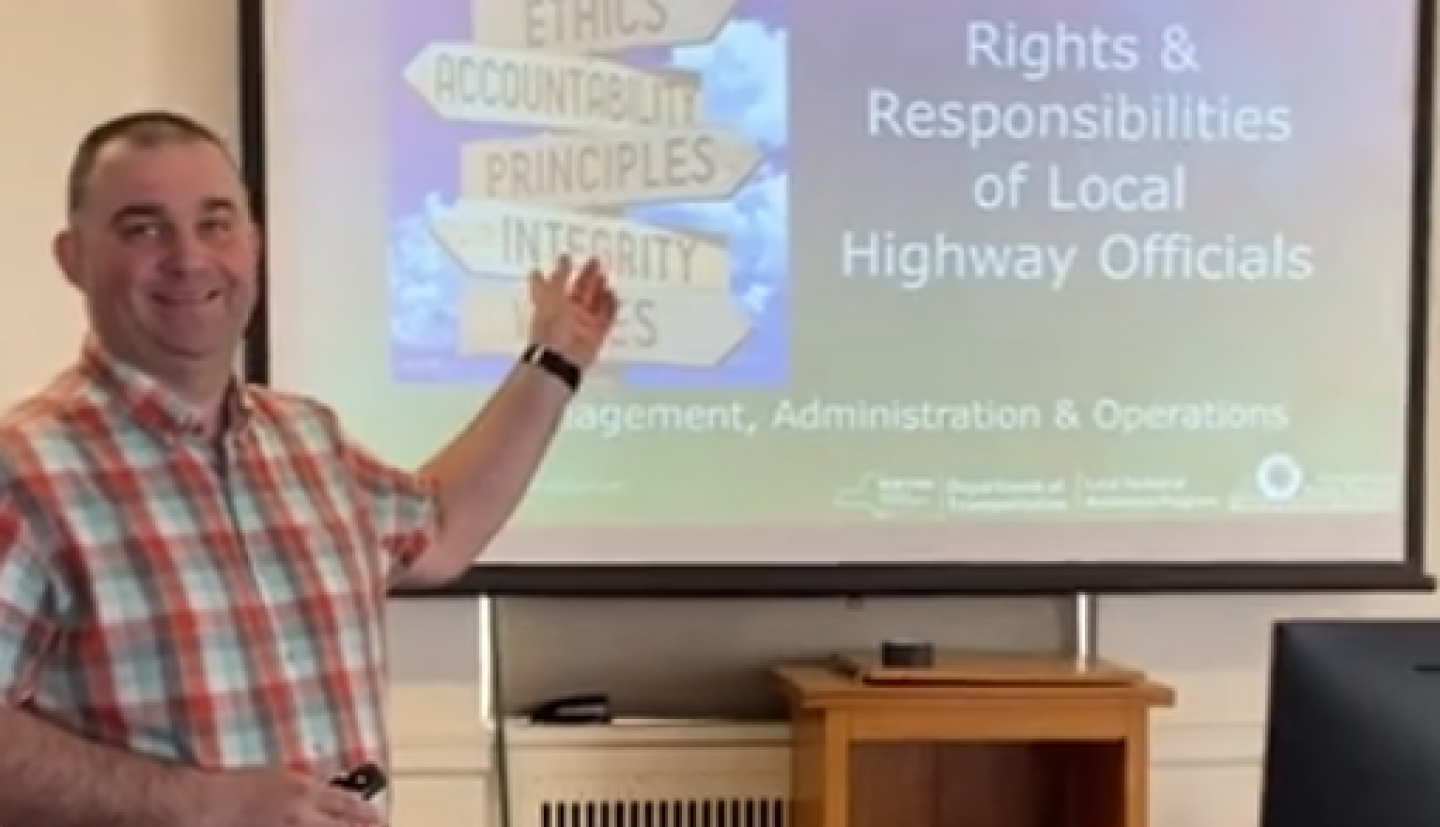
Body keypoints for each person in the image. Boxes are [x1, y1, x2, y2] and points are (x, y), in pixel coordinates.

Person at [0, 110, 617, 827]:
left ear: (253, 245)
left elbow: (443, 528)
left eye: (217, 222)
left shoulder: (306, 441)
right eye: (143, 228)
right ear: (73, 257)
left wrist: (555, 361)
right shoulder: (28, 471)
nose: (189, 257)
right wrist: (194, 803)